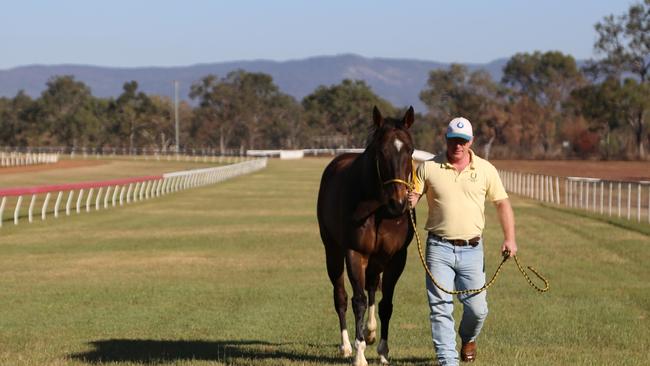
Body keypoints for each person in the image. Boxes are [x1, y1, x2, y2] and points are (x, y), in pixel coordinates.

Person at [408, 117, 517, 365]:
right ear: (445, 139)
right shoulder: (428, 167)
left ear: (471, 141)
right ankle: (448, 361)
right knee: (440, 309)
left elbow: (502, 203)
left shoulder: (486, 169)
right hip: (438, 248)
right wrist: (407, 200)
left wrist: (510, 238)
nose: (458, 146)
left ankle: (468, 337)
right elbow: (412, 197)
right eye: (453, 140)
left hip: (472, 250)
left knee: (478, 310)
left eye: (463, 141)